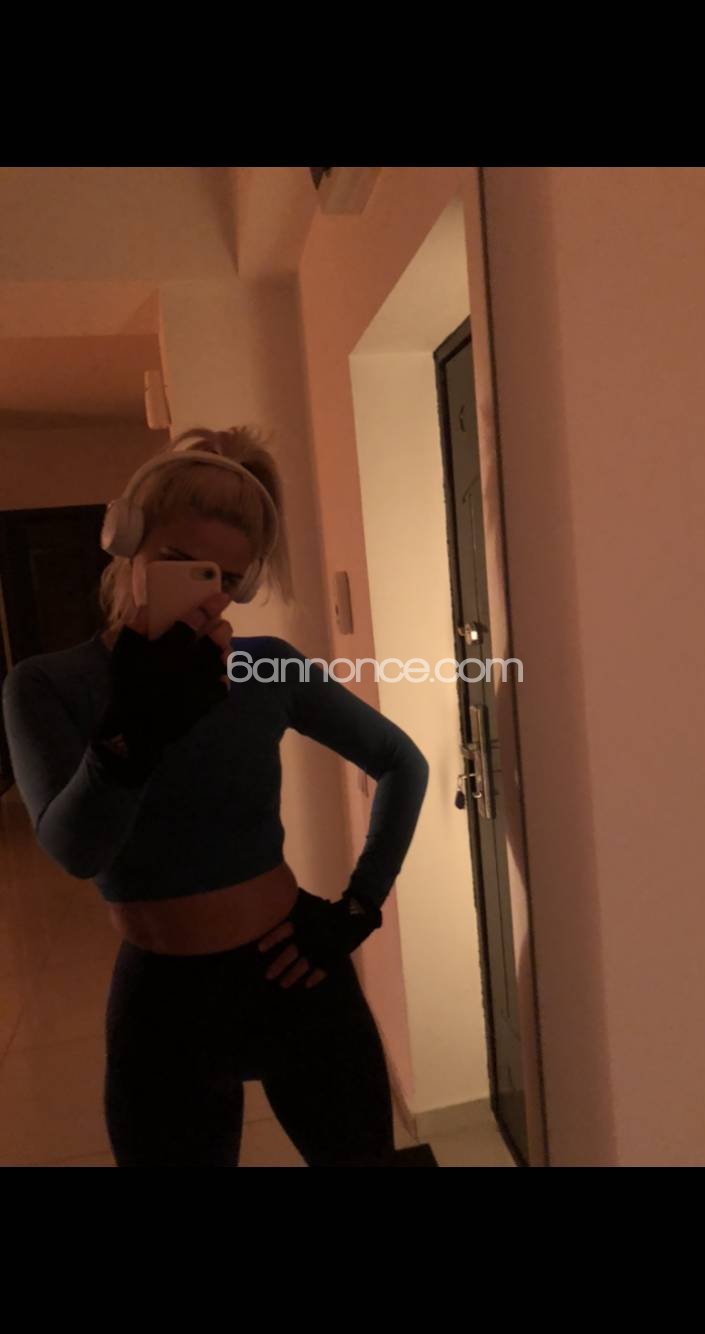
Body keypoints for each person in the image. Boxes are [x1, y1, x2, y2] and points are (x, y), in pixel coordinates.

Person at [2, 425, 429, 1167]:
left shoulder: (265, 669)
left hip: (295, 968)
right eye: (182, 564)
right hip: (162, 1003)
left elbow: (402, 762)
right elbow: (76, 851)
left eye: (227, 578)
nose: (208, 595)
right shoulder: (46, 685)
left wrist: (358, 908)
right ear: (126, 542)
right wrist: (134, 726)